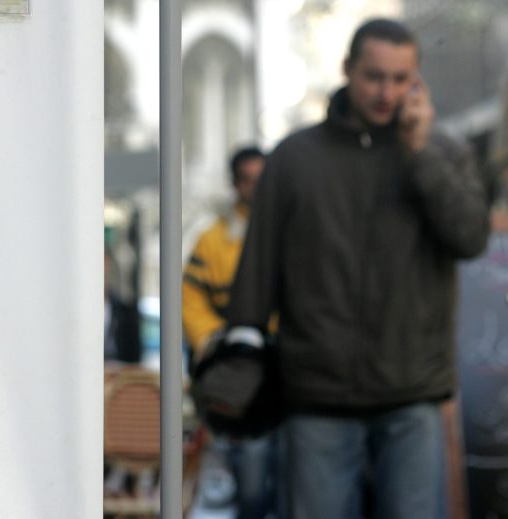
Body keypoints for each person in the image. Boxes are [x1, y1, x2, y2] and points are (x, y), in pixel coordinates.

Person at [228, 18, 491, 519]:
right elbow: (257, 271)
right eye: (374, 76)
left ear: (417, 78)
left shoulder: (443, 152)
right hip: (316, 394)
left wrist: (418, 157)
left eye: (400, 79)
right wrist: (242, 363)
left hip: (411, 392)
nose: (386, 92)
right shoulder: (294, 159)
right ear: (348, 70)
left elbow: (470, 237)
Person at [183, 147, 275, 518]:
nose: (255, 188)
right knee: (246, 473)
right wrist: (213, 340)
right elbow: (190, 295)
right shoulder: (214, 240)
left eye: (262, 178)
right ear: (236, 184)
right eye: (248, 179)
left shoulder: (292, 229)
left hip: (287, 369)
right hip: (235, 373)